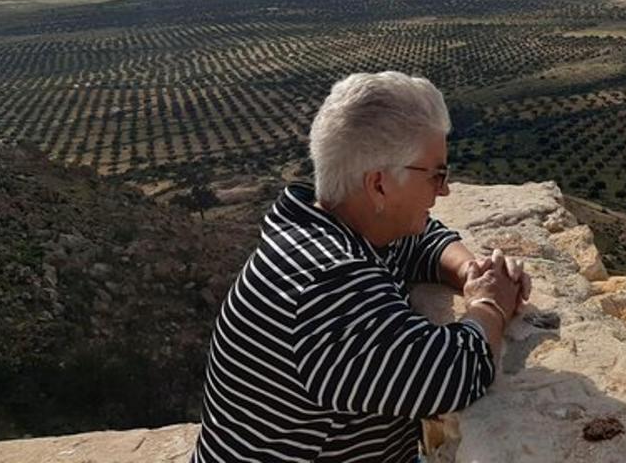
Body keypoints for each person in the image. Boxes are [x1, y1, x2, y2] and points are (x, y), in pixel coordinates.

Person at [192, 71, 530, 463]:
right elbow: (454, 371)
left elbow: (419, 241)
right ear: (379, 186)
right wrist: (491, 304)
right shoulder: (329, 283)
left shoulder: (321, 227)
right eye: (436, 174)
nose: (445, 190)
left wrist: (473, 271)